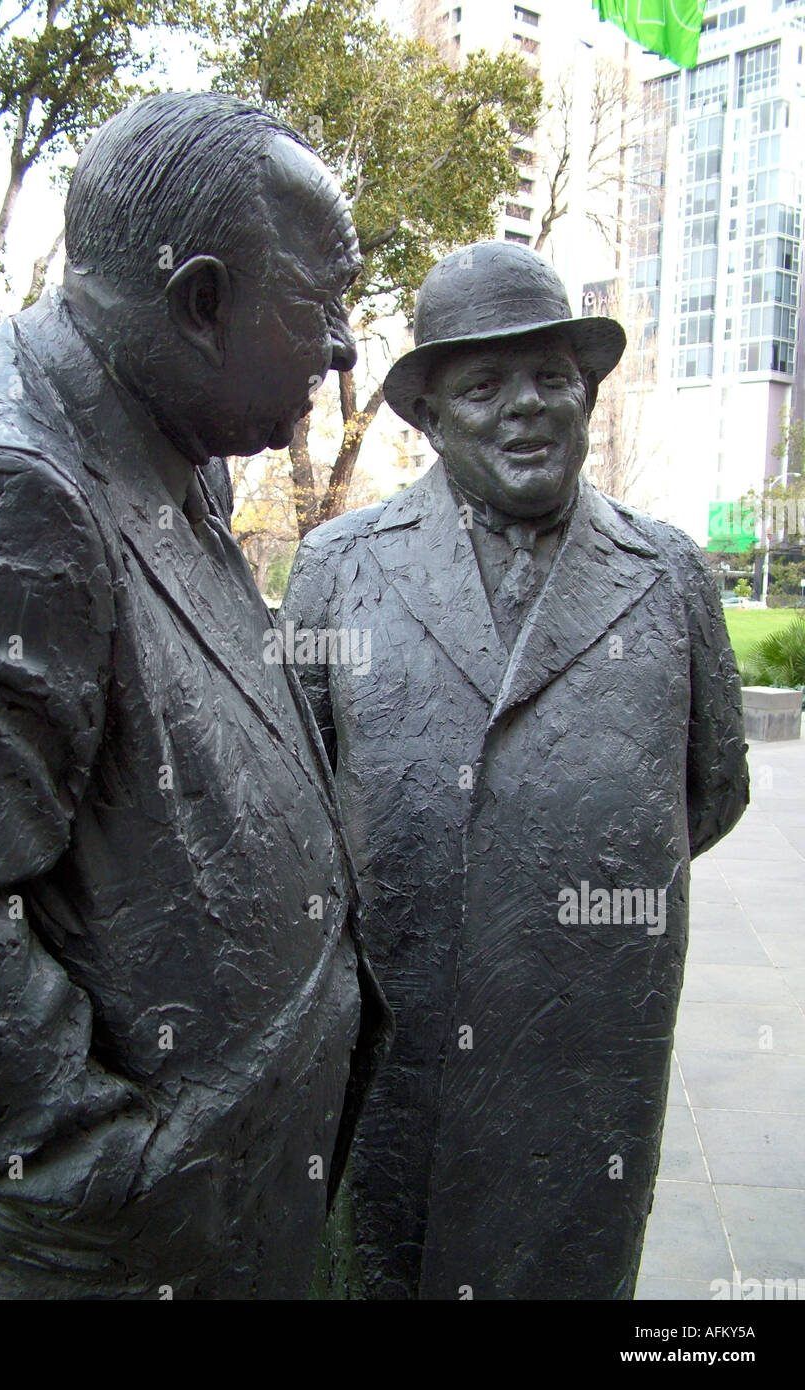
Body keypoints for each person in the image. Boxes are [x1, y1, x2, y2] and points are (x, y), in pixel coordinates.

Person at [0, 92, 390, 1300]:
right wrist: (114, 1176)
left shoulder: (154, 432)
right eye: (318, 303)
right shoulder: (0, 482)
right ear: (198, 303)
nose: (343, 345)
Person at [281, 240, 749, 1299]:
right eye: (483, 385)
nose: (527, 406)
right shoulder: (340, 567)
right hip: (396, 1032)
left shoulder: (668, 572)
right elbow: (294, 785)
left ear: (586, 398)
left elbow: (706, 791)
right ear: (428, 418)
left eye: (552, 379)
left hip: (584, 1044)